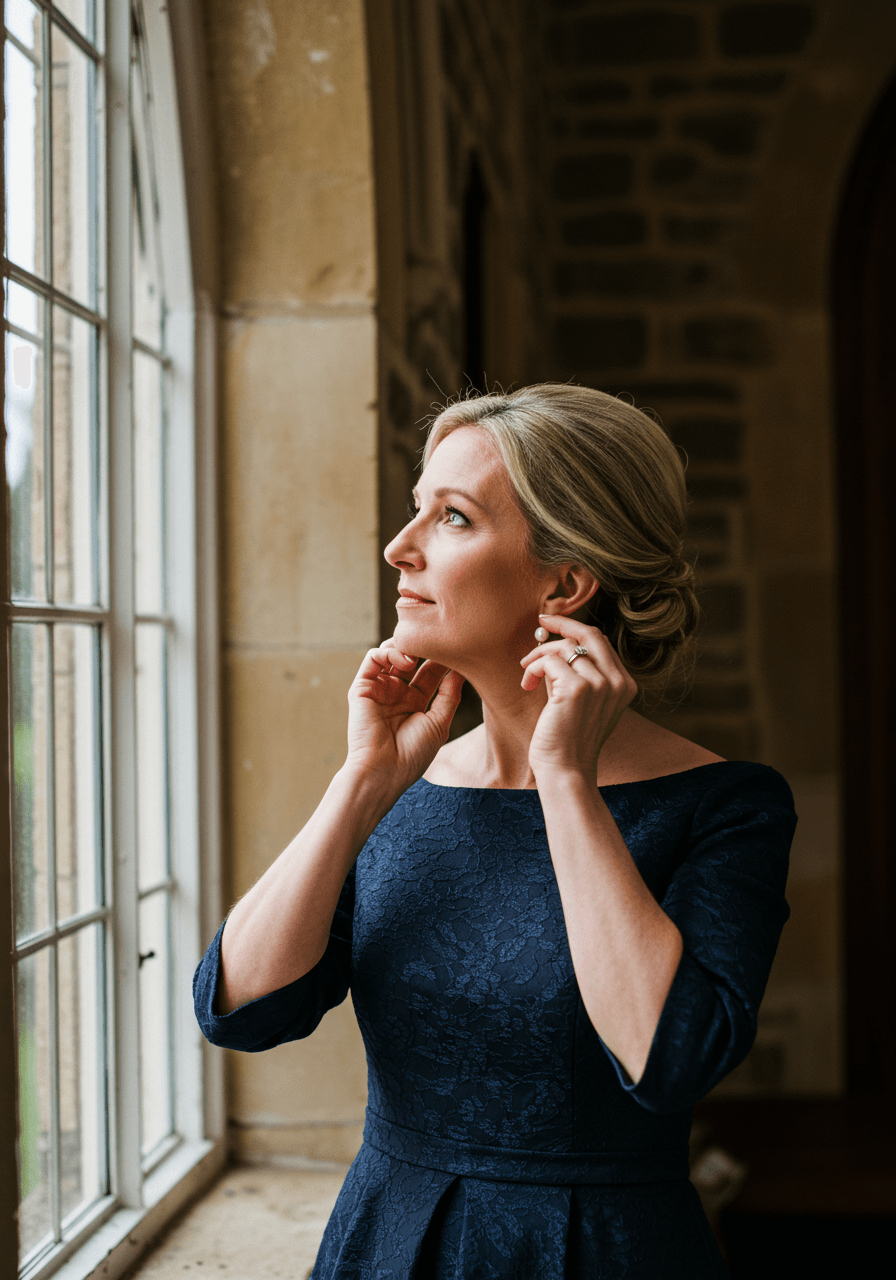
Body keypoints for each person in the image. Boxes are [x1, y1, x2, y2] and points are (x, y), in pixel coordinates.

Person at [194, 383, 796, 1278]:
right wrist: (362, 784)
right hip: (390, 1243)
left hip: (607, 1256)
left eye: (453, 518)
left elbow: (670, 1060)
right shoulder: (401, 784)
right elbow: (237, 1008)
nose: (400, 549)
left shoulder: (726, 807)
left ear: (566, 581)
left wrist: (564, 779)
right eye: (416, 511)